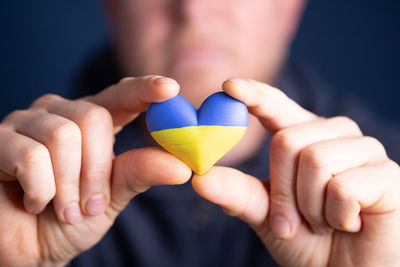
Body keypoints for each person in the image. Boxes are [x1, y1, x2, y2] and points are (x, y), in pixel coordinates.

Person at [0, 0, 399, 266]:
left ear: (291, 7)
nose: (193, 9)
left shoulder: (386, 202)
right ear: (111, 6)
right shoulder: (25, 188)